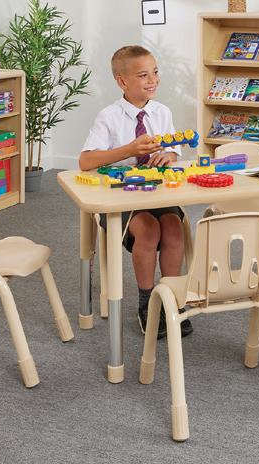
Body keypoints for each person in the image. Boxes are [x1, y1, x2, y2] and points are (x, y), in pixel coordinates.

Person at [78, 45, 193, 339]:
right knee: (149, 230)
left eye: (155, 72)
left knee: (174, 228)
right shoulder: (109, 116)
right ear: (122, 81)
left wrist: (169, 155)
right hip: (120, 198)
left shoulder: (162, 112)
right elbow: (86, 161)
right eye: (143, 75)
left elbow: (174, 150)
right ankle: (147, 302)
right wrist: (129, 150)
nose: (152, 80)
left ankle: (171, 298)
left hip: (156, 192)